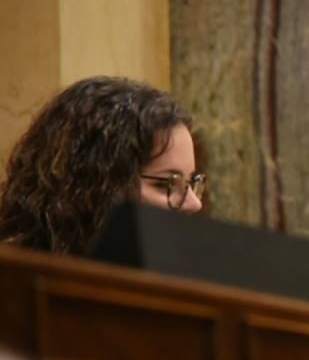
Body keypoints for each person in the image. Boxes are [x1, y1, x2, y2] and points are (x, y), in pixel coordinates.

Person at [0, 76, 205, 255]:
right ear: (96, 189)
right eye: (167, 183)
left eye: (192, 182)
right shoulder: (17, 286)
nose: (195, 204)